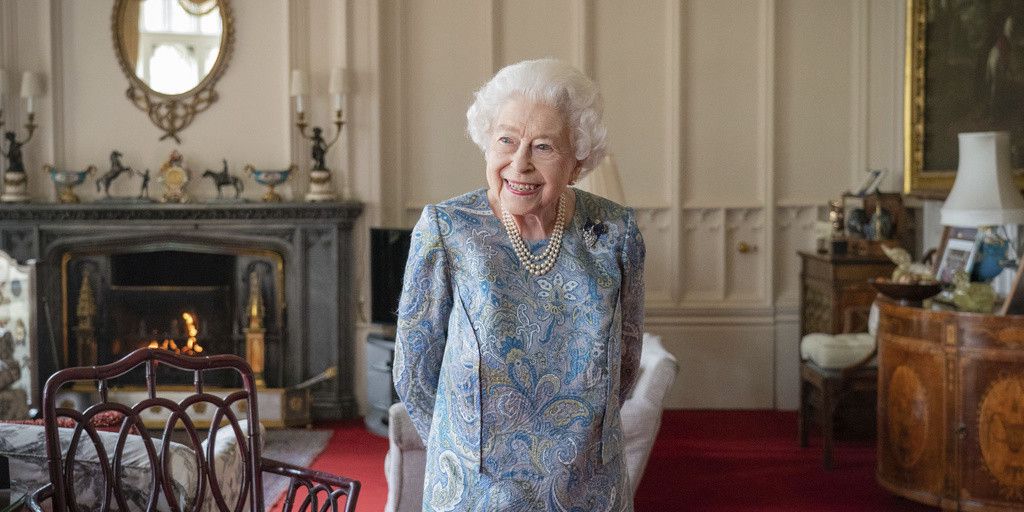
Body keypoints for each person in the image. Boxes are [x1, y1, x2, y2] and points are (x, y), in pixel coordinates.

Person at [393, 58, 645, 511]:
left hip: (586, 485)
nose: (520, 162)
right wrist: (466, 449)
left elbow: (625, 363)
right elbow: (414, 371)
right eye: (506, 140)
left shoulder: (615, 233)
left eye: (544, 146)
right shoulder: (447, 230)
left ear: (577, 161)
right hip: (476, 489)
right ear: (487, 144)